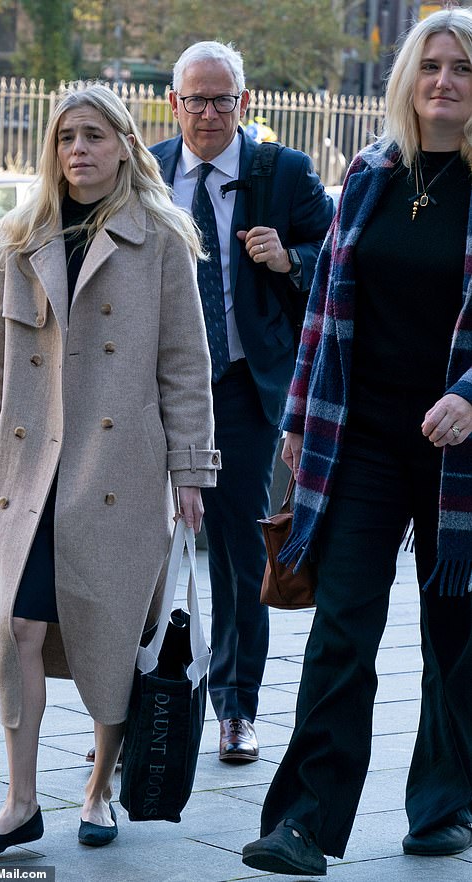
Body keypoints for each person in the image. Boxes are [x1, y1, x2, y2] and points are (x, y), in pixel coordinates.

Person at [0, 83, 220, 855]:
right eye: (66, 137)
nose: (78, 150)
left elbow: (184, 365)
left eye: (94, 135)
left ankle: (99, 791)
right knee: (19, 627)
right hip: (31, 471)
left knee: (110, 636)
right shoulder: (19, 234)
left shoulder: (161, 239)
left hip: (120, 469)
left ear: (126, 145)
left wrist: (191, 472)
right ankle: (20, 801)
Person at [242, 8, 472, 876]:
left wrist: (470, 396)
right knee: (342, 630)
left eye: (462, 68)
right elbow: (325, 313)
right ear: (407, 79)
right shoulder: (373, 173)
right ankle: (304, 820)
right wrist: (300, 416)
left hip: (462, 456)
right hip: (362, 441)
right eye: (430, 66)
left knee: (457, 635)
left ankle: (444, 804)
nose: (444, 81)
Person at [151, 41, 333, 761]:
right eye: (195, 99)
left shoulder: (280, 172)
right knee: (134, 553)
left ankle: (234, 709)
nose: (208, 112)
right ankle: (135, 713)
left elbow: (339, 263)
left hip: (241, 388)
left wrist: (290, 258)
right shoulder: (149, 170)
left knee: (234, 555)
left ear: (245, 103)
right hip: (150, 392)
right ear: (174, 104)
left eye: (222, 98)